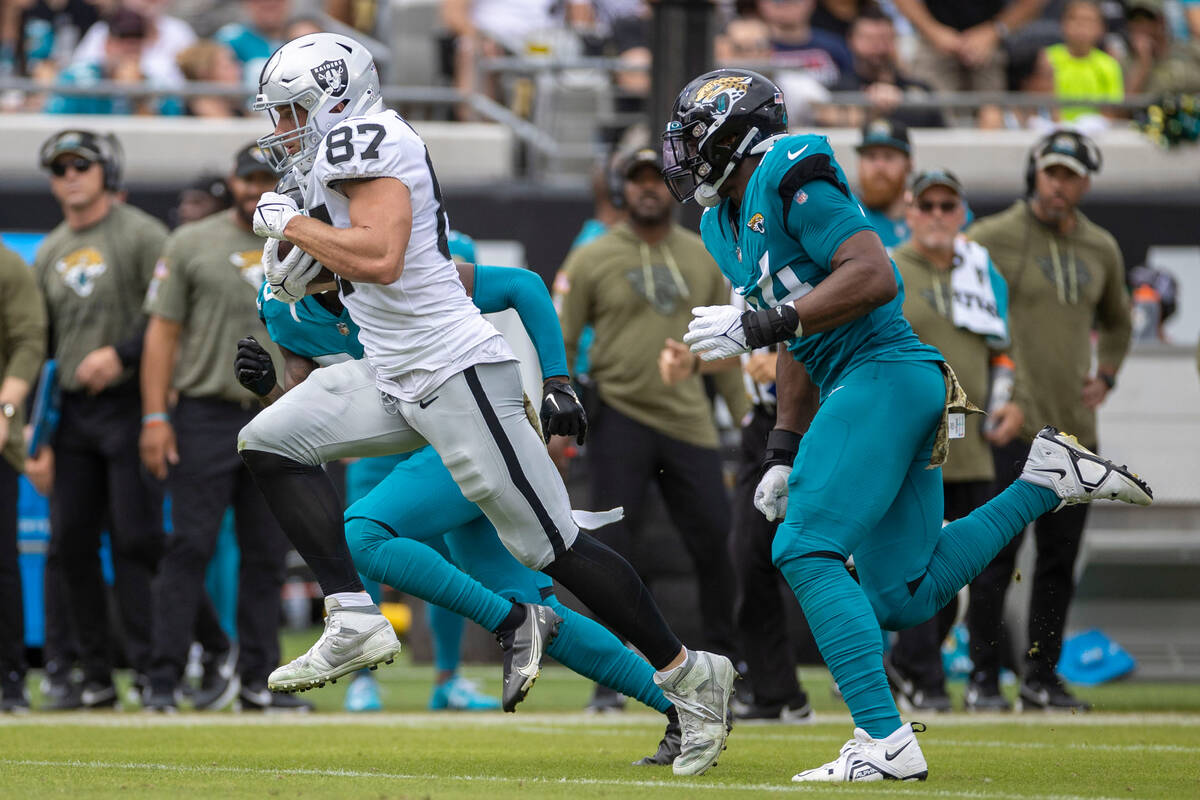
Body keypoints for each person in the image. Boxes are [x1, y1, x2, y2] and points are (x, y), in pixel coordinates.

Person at [242, 33, 735, 776]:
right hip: (395, 377)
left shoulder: (364, 137)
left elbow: (378, 255)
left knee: (553, 548)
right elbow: (366, 274)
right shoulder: (329, 162)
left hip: (455, 373)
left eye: (289, 112)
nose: (281, 130)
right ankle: (351, 615)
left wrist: (291, 225)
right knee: (269, 440)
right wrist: (304, 265)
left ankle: (687, 674)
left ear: (333, 97)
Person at [661, 67, 1151, 782]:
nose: (685, 153)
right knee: (902, 593)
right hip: (872, 386)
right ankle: (1044, 481)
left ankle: (885, 740)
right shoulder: (719, 221)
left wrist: (766, 319)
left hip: (882, 373)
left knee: (801, 547)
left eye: (696, 136)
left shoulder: (794, 178)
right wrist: (780, 450)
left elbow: (872, 277)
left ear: (741, 132)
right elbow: (801, 336)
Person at [241, 258, 682, 763]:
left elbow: (523, 283)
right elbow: (308, 416)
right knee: (549, 618)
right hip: (411, 441)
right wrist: (269, 395)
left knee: (364, 533)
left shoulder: (391, 261)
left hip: (471, 424)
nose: (285, 256)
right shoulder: (281, 306)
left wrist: (558, 380)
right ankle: (682, 707)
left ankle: (511, 623)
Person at [553, 146, 743, 712]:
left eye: (657, 179)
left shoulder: (706, 254)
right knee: (613, 551)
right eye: (636, 180)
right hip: (620, 416)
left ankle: (733, 666)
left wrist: (753, 416)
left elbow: (731, 346)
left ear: (674, 187)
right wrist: (555, 413)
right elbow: (561, 338)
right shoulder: (592, 256)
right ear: (620, 188)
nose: (648, 189)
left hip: (690, 420)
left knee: (715, 541)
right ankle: (613, 677)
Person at [965, 130, 1132, 712]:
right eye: (1051, 172)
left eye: (1071, 175)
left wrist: (1106, 373)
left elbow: (1118, 320)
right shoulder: (988, 238)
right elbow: (960, 315)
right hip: (1013, 427)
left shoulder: (1101, 248)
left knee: (1059, 562)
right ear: (1034, 173)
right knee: (994, 558)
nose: (1058, 184)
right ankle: (984, 678)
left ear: (1085, 183)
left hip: (1076, 433)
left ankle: (1041, 675)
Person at [137, 143, 301, 713]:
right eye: (247, 178)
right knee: (189, 548)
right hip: (205, 412)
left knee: (265, 555)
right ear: (231, 181)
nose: (255, 188)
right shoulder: (190, 242)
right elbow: (162, 335)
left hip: (280, 414)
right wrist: (156, 415)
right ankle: (163, 678)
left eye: (265, 179)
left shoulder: (308, 237)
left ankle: (261, 682)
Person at [33, 129, 168, 709]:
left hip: (130, 403)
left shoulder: (142, 234)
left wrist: (122, 354)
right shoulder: (50, 249)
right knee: (70, 543)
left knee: (138, 540)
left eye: (80, 165)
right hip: (73, 414)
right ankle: (91, 675)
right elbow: (39, 347)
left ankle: (148, 667)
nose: (69, 177)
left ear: (106, 172)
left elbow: (168, 320)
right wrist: (35, 436)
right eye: (60, 168)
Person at [887, 169, 1024, 713]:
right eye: (928, 205)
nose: (939, 215)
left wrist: (1010, 397)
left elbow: (1004, 350)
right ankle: (924, 678)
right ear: (909, 211)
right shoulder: (889, 268)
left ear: (963, 212)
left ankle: (983, 681)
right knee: (919, 571)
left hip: (973, 443)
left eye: (949, 205)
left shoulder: (980, 267)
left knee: (988, 567)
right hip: (913, 446)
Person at [0, 242, 46, 713]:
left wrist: (5, 408)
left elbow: (29, 340)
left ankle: (8, 680)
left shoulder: (6, 263)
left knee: (1, 562)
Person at [892, 0, 1047, 128]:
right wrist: (933, 31)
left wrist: (994, 31)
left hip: (990, 41)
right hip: (933, 40)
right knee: (928, 112)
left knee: (991, 113)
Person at [45, 8, 185, 116]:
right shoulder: (76, 80)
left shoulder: (155, 86)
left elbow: (164, 139)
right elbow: (56, 125)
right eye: (123, 39)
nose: (130, 47)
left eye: (137, 39)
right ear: (107, 44)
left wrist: (138, 98)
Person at [825, 8, 946, 130]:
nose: (878, 47)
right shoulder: (837, 90)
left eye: (885, 38)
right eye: (869, 39)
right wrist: (872, 110)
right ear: (851, 41)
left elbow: (943, 138)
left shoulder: (920, 90)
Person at [1041, 0, 1123, 124]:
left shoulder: (1109, 65)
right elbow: (1044, 103)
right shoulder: (1046, 58)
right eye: (1074, 19)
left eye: (1089, 21)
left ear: (1101, 28)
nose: (1081, 26)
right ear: (1063, 23)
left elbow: (1110, 111)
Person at [855, 118, 912, 250]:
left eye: (889, 156)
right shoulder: (845, 214)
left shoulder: (938, 209)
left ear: (909, 164)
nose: (879, 166)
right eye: (871, 156)